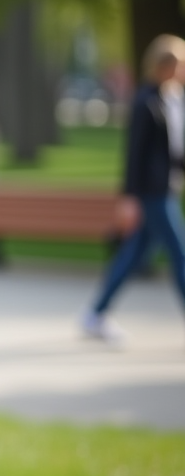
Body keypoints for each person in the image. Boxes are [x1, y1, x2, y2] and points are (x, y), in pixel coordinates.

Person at [81, 34, 185, 344]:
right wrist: (128, 197)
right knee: (179, 253)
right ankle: (96, 314)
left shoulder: (174, 98)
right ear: (163, 64)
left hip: (167, 186)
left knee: (135, 254)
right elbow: (134, 152)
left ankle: (96, 313)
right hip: (152, 192)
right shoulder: (146, 101)